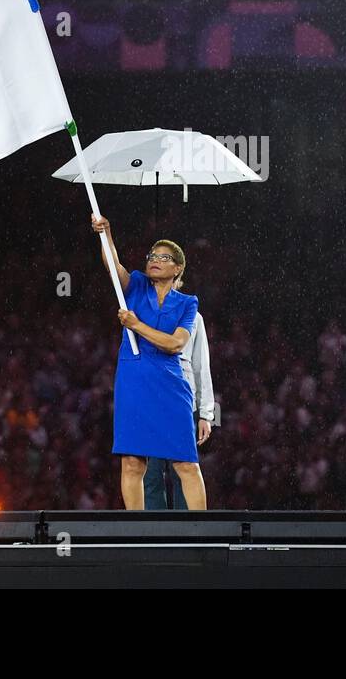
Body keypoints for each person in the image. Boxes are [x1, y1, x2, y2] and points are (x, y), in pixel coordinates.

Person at [90, 213, 207, 510]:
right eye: (152, 255)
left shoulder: (187, 302)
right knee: (132, 462)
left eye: (164, 257)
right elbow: (113, 268)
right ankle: (137, 531)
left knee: (185, 463)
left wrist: (136, 324)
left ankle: (203, 532)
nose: (155, 259)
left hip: (171, 384)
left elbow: (175, 343)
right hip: (134, 380)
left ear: (178, 268)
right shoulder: (137, 285)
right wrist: (107, 234)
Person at [144, 310, 214, 509]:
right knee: (151, 475)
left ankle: (189, 532)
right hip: (150, 404)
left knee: (184, 472)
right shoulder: (142, 312)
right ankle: (154, 534)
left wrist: (206, 414)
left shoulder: (193, 315)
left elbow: (201, 364)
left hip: (182, 405)